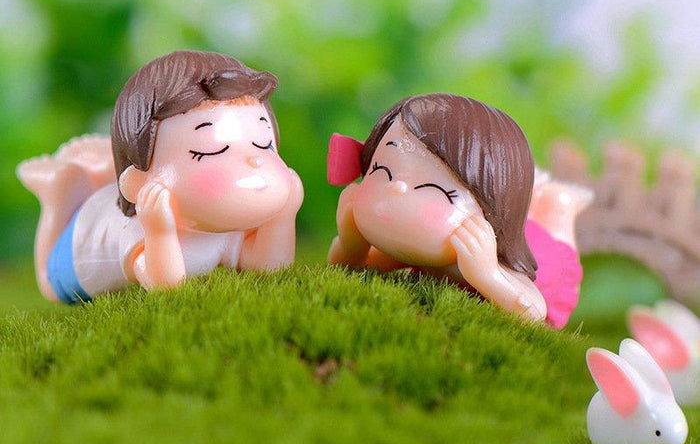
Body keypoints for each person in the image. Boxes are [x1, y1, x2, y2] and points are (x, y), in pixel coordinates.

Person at [17, 50, 303, 304]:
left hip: (119, 190)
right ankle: (60, 187)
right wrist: (159, 232)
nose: (254, 161)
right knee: (50, 284)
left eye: (263, 143)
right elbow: (166, 285)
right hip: (82, 235)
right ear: (140, 184)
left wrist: (282, 217)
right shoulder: (141, 230)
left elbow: (268, 266)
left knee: (109, 181)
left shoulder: (229, 220)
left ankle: (104, 170)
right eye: (212, 150)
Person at [327, 94, 591, 327]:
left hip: (545, 261)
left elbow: (534, 311)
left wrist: (489, 274)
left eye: (434, 188)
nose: (396, 189)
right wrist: (351, 243)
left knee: (556, 209)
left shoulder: (477, 253)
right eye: (381, 169)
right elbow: (355, 267)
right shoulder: (409, 244)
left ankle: (561, 201)